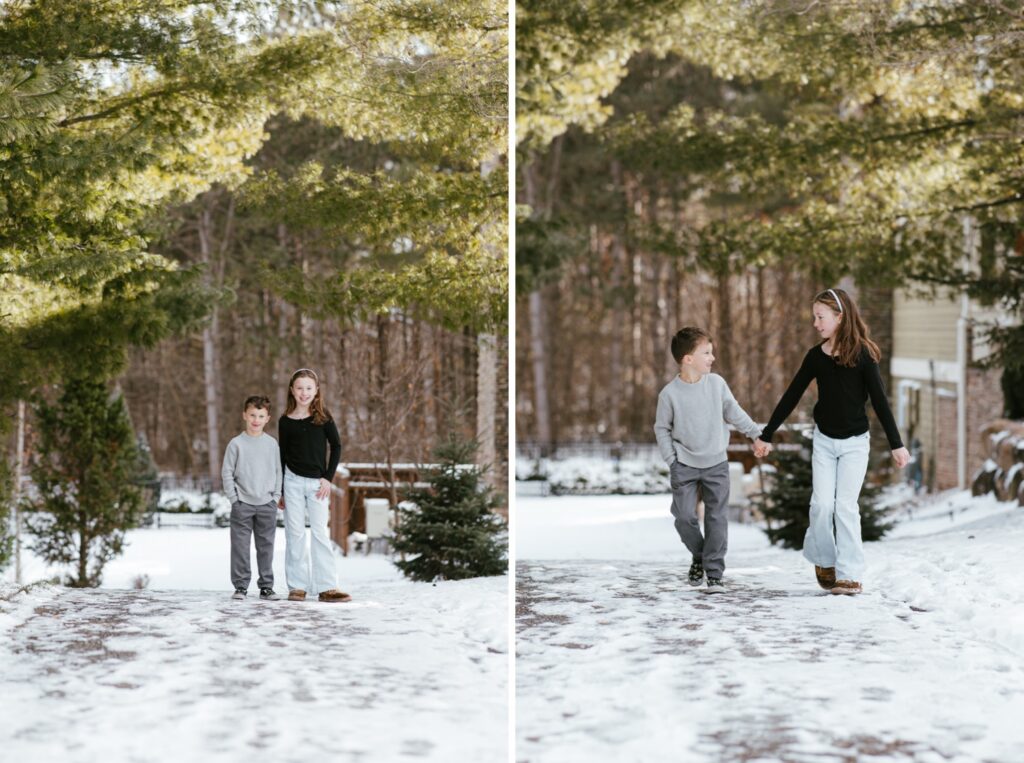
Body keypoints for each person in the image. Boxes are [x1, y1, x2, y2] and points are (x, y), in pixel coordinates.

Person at [753, 288, 910, 596]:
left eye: (820, 317)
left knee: (845, 507)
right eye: (815, 317)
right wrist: (767, 434)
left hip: (855, 443)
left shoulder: (864, 355)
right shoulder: (816, 357)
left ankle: (850, 575)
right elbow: (792, 395)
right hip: (824, 442)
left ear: (839, 317)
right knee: (822, 505)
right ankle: (825, 560)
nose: (815, 323)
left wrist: (896, 443)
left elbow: (880, 401)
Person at [654, 327, 764, 592]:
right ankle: (700, 555)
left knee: (716, 519)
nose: (712, 358)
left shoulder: (716, 384)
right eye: (706, 353)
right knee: (683, 517)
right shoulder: (669, 394)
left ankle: (714, 573)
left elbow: (734, 412)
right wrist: (672, 460)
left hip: (716, 463)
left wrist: (756, 434)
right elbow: (662, 429)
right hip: (684, 465)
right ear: (688, 359)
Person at [278, 368, 351, 603]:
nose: (304, 392)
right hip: (291, 482)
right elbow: (281, 456)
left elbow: (336, 446)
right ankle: (297, 586)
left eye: (309, 388)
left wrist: (328, 477)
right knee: (295, 534)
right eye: (299, 388)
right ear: (292, 390)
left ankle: (327, 587)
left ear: (316, 390)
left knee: (320, 532)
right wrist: (281, 490)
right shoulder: (285, 421)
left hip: (317, 484)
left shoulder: (323, 418)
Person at [222, 395, 282, 601]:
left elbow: (278, 471)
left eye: (261, 416)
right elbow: (227, 473)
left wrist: (275, 497)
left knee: (266, 547)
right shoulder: (236, 444)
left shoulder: (272, 444)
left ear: (267, 418)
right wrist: (234, 499)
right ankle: (240, 586)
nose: (256, 420)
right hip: (242, 504)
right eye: (253, 415)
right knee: (240, 547)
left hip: (267, 504)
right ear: (244, 416)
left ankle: (266, 586)